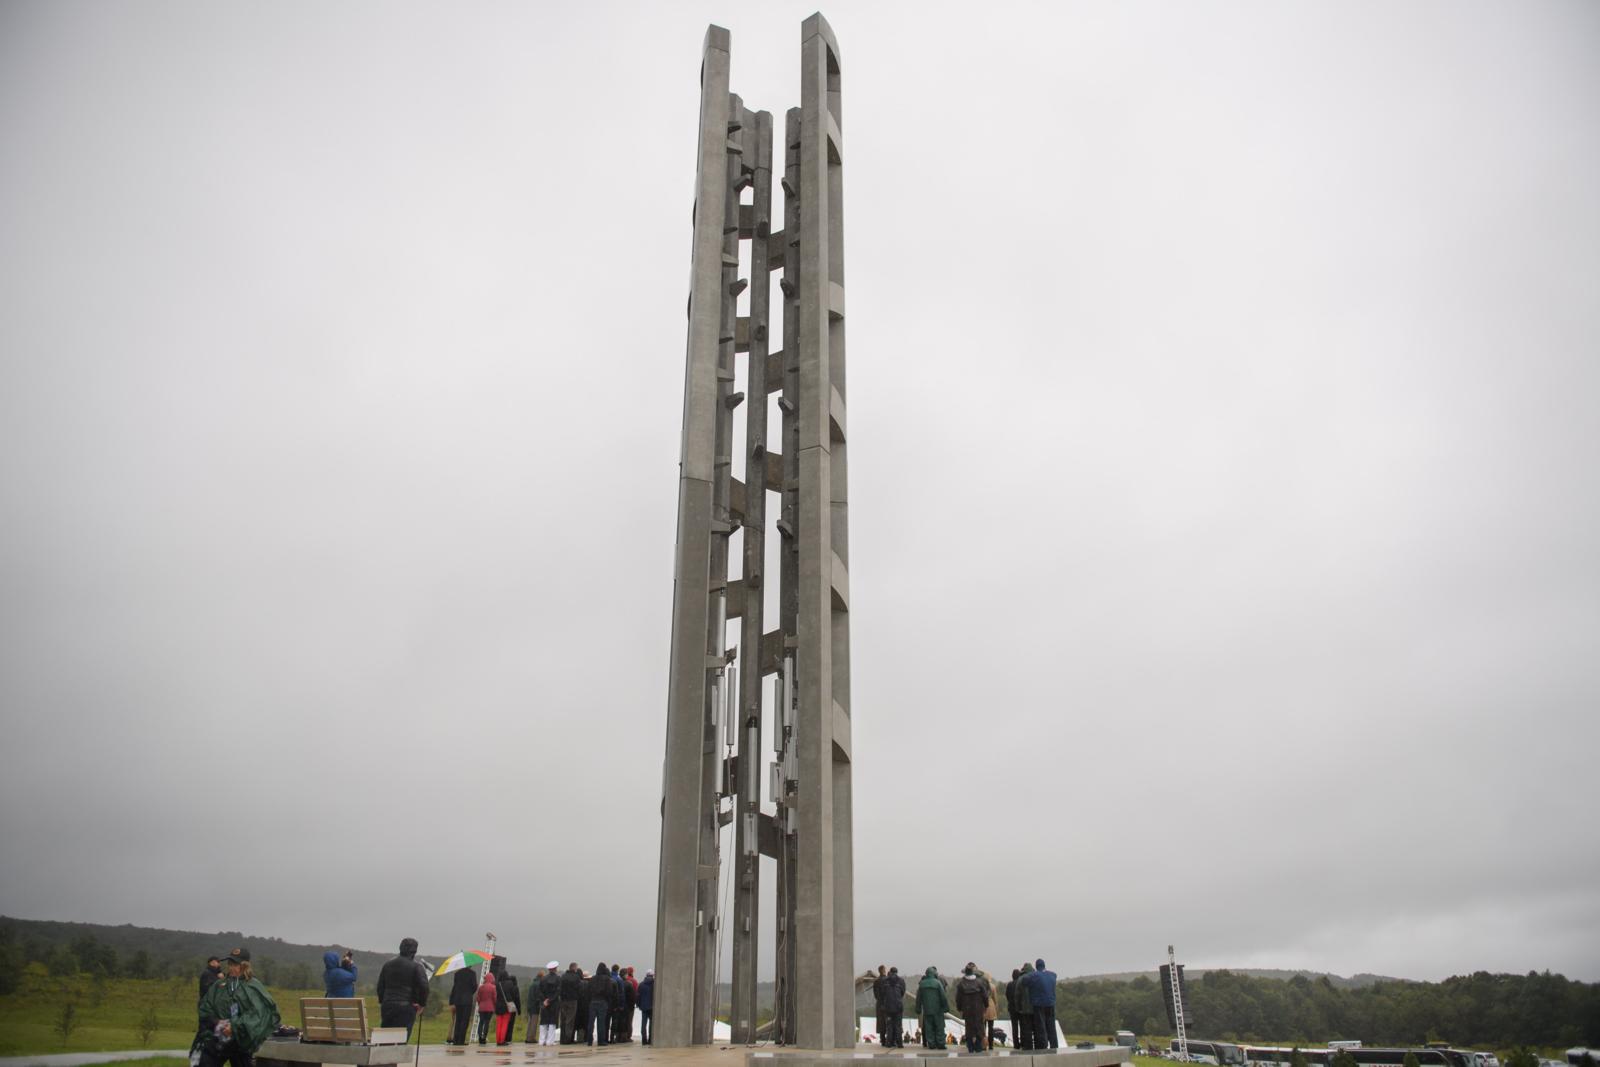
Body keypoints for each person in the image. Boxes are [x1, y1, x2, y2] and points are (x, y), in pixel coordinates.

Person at [197, 948, 280, 1067]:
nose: (231, 967)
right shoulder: (220, 985)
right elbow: (205, 1007)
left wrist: (235, 1026)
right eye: (230, 964)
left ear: (245, 966)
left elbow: (260, 1012)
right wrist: (218, 1023)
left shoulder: (253, 986)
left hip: (242, 1040)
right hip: (219, 1037)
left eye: (235, 964)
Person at [375, 938, 430, 1038]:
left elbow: (380, 987)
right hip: (406, 1007)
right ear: (414, 951)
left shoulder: (387, 965)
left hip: (388, 1005)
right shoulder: (417, 967)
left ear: (400, 948)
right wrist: (422, 1004)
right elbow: (424, 987)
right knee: (401, 1039)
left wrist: (383, 1001)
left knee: (385, 1038)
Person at [955, 963, 990, 1053]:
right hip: (978, 1009)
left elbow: (958, 998)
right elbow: (985, 996)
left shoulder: (961, 984)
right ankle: (978, 1047)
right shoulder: (979, 983)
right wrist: (986, 1006)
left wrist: (959, 1008)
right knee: (979, 1028)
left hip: (967, 1010)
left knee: (969, 1028)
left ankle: (970, 1047)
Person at [1028, 958, 1058, 1049]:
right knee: (1051, 1025)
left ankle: (1043, 1046)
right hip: (1051, 1003)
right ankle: (1054, 1045)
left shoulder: (1034, 975)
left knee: (1041, 1027)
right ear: (1044, 965)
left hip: (1039, 1004)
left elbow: (1025, 981)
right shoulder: (1052, 975)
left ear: (1036, 966)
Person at [915, 966, 948, 1050]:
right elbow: (943, 996)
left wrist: (918, 1008)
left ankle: (931, 1043)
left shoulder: (922, 984)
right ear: (934, 974)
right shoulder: (937, 983)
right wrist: (945, 1007)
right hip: (938, 1010)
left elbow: (918, 998)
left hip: (927, 1009)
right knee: (939, 1027)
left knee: (929, 1027)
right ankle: (940, 1043)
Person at [448, 966, 479, 1046]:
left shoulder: (457, 974)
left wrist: (451, 1001)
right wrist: (469, 993)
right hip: (467, 1000)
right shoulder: (472, 974)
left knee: (458, 1020)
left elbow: (455, 987)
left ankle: (456, 1040)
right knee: (465, 1021)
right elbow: (474, 986)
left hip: (458, 1000)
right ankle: (461, 1040)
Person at [534, 961, 562, 1045]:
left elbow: (539, 992)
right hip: (554, 1003)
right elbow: (558, 992)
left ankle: (541, 1040)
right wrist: (550, 1000)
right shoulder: (558, 979)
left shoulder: (543, 979)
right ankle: (550, 1041)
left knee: (544, 1022)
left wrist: (544, 1000)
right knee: (552, 1023)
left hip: (545, 1004)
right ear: (555, 969)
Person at [588, 963, 615, 1046]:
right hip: (602, 1002)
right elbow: (609, 992)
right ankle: (601, 1041)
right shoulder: (607, 979)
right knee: (601, 1023)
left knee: (591, 1022)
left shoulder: (592, 979)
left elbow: (588, 991)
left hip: (593, 1001)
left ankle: (589, 1040)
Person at [495, 963, 521, 1045]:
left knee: (499, 1024)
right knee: (505, 1024)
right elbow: (512, 995)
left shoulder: (497, 984)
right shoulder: (510, 983)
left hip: (498, 1006)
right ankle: (502, 1040)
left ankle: (498, 1040)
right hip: (506, 1006)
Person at [1013, 962, 1037, 1050]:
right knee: (1036, 1029)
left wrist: (1018, 1008)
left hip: (1025, 1009)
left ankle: (1028, 1047)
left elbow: (1017, 995)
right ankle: (1038, 1046)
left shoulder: (1020, 979)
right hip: (1035, 1008)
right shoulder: (1036, 978)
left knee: (1027, 1030)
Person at [881, 966, 906, 1049]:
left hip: (888, 1007)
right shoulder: (901, 981)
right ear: (897, 972)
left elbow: (883, 993)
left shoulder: (885, 981)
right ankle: (899, 1043)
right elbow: (902, 992)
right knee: (898, 1025)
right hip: (898, 1007)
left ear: (890, 972)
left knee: (889, 1026)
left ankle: (889, 1043)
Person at [559, 962, 583, 1044]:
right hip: (572, 1000)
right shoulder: (576, 977)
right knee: (570, 1020)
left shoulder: (563, 976)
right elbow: (579, 989)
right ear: (574, 968)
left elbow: (560, 988)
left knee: (563, 1019)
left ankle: (562, 1038)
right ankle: (568, 1039)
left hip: (563, 1000)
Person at [475, 970, 499, 1045]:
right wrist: (495, 1006)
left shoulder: (481, 987)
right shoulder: (493, 987)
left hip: (481, 1008)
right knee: (487, 1023)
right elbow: (495, 998)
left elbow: (478, 998)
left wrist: (480, 1004)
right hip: (490, 1008)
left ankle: (480, 1037)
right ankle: (484, 1037)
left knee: (481, 1022)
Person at [872, 965, 888, 1045]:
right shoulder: (888, 980)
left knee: (881, 1022)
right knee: (888, 1021)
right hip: (887, 1004)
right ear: (884, 970)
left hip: (879, 1004)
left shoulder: (876, 981)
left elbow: (875, 995)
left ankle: (882, 1039)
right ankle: (889, 1038)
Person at [637, 970, 655, 1045]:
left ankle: (644, 1040)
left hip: (643, 1007)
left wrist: (638, 1005)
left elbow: (638, 996)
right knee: (651, 1024)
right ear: (652, 975)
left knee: (643, 1024)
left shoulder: (641, 984)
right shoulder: (654, 984)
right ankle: (650, 1039)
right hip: (651, 1007)